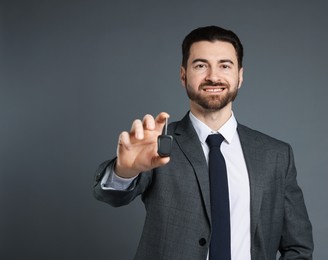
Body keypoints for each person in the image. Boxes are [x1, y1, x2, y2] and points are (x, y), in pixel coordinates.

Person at [93, 25, 313, 260]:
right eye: (200, 65)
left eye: (225, 65)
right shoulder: (158, 144)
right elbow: (111, 196)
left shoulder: (276, 155)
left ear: (240, 76)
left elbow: (298, 247)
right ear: (183, 75)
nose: (213, 76)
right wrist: (125, 171)